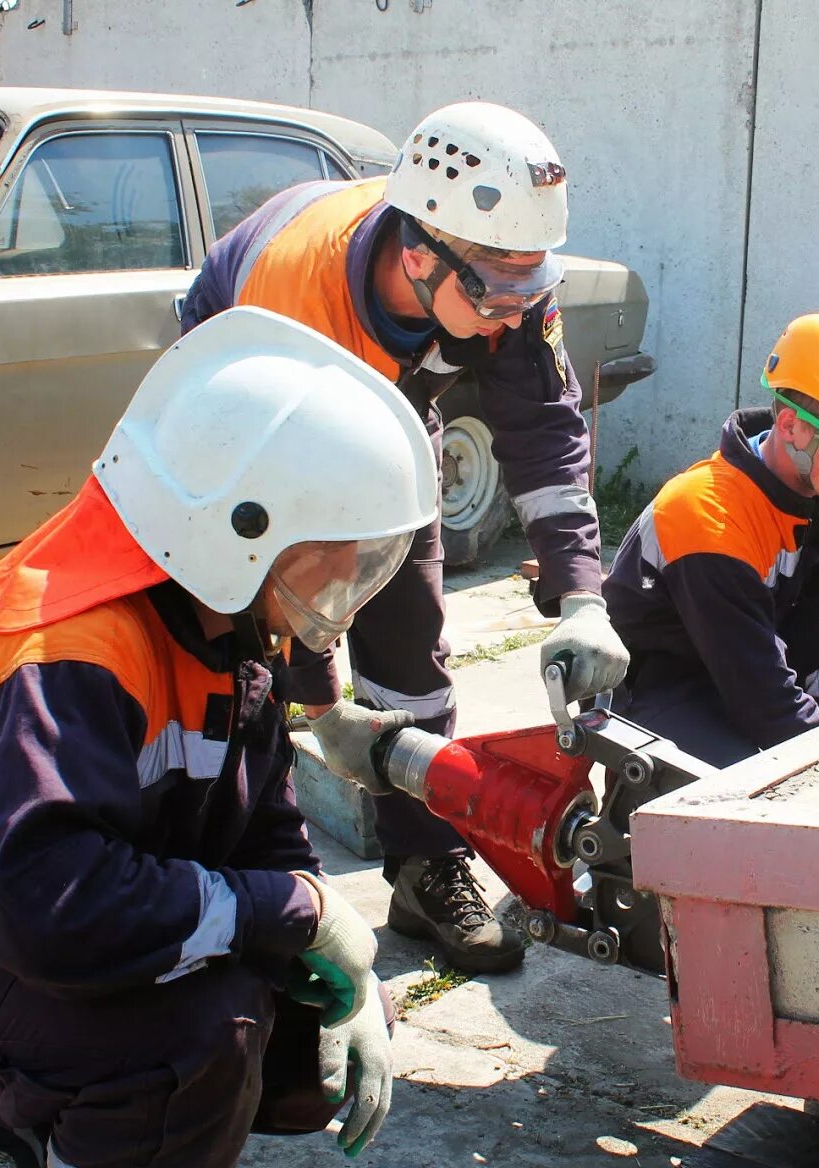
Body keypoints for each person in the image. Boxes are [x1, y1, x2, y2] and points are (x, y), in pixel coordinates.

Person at [0, 308, 434, 1168]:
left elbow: (264, 837)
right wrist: (280, 912)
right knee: (202, 1034)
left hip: (49, 956)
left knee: (320, 1029)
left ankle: (80, 1117)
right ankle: (66, 1143)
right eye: (330, 551)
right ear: (241, 526)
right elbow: (48, 905)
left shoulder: (227, 634)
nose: (347, 572)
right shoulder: (71, 651)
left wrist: (315, 928)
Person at [179, 101, 627, 975]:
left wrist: (580, 594)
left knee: (409, 636)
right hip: (250, 399)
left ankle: (426, 866)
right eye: (498, 295)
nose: (512, 316)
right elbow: (291, 538)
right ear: (419, 258)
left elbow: (543, 423)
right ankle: (240, 868)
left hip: (385, 405)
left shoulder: (495, 273)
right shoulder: (294, 304)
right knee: (242, 645)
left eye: (531, 291)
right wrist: (319, 703)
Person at [602, 314, 819, 769]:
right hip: (664, 686)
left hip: (756, 656)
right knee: (738, 799)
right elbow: (763, 696)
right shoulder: (707, 516)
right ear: (791, 427)